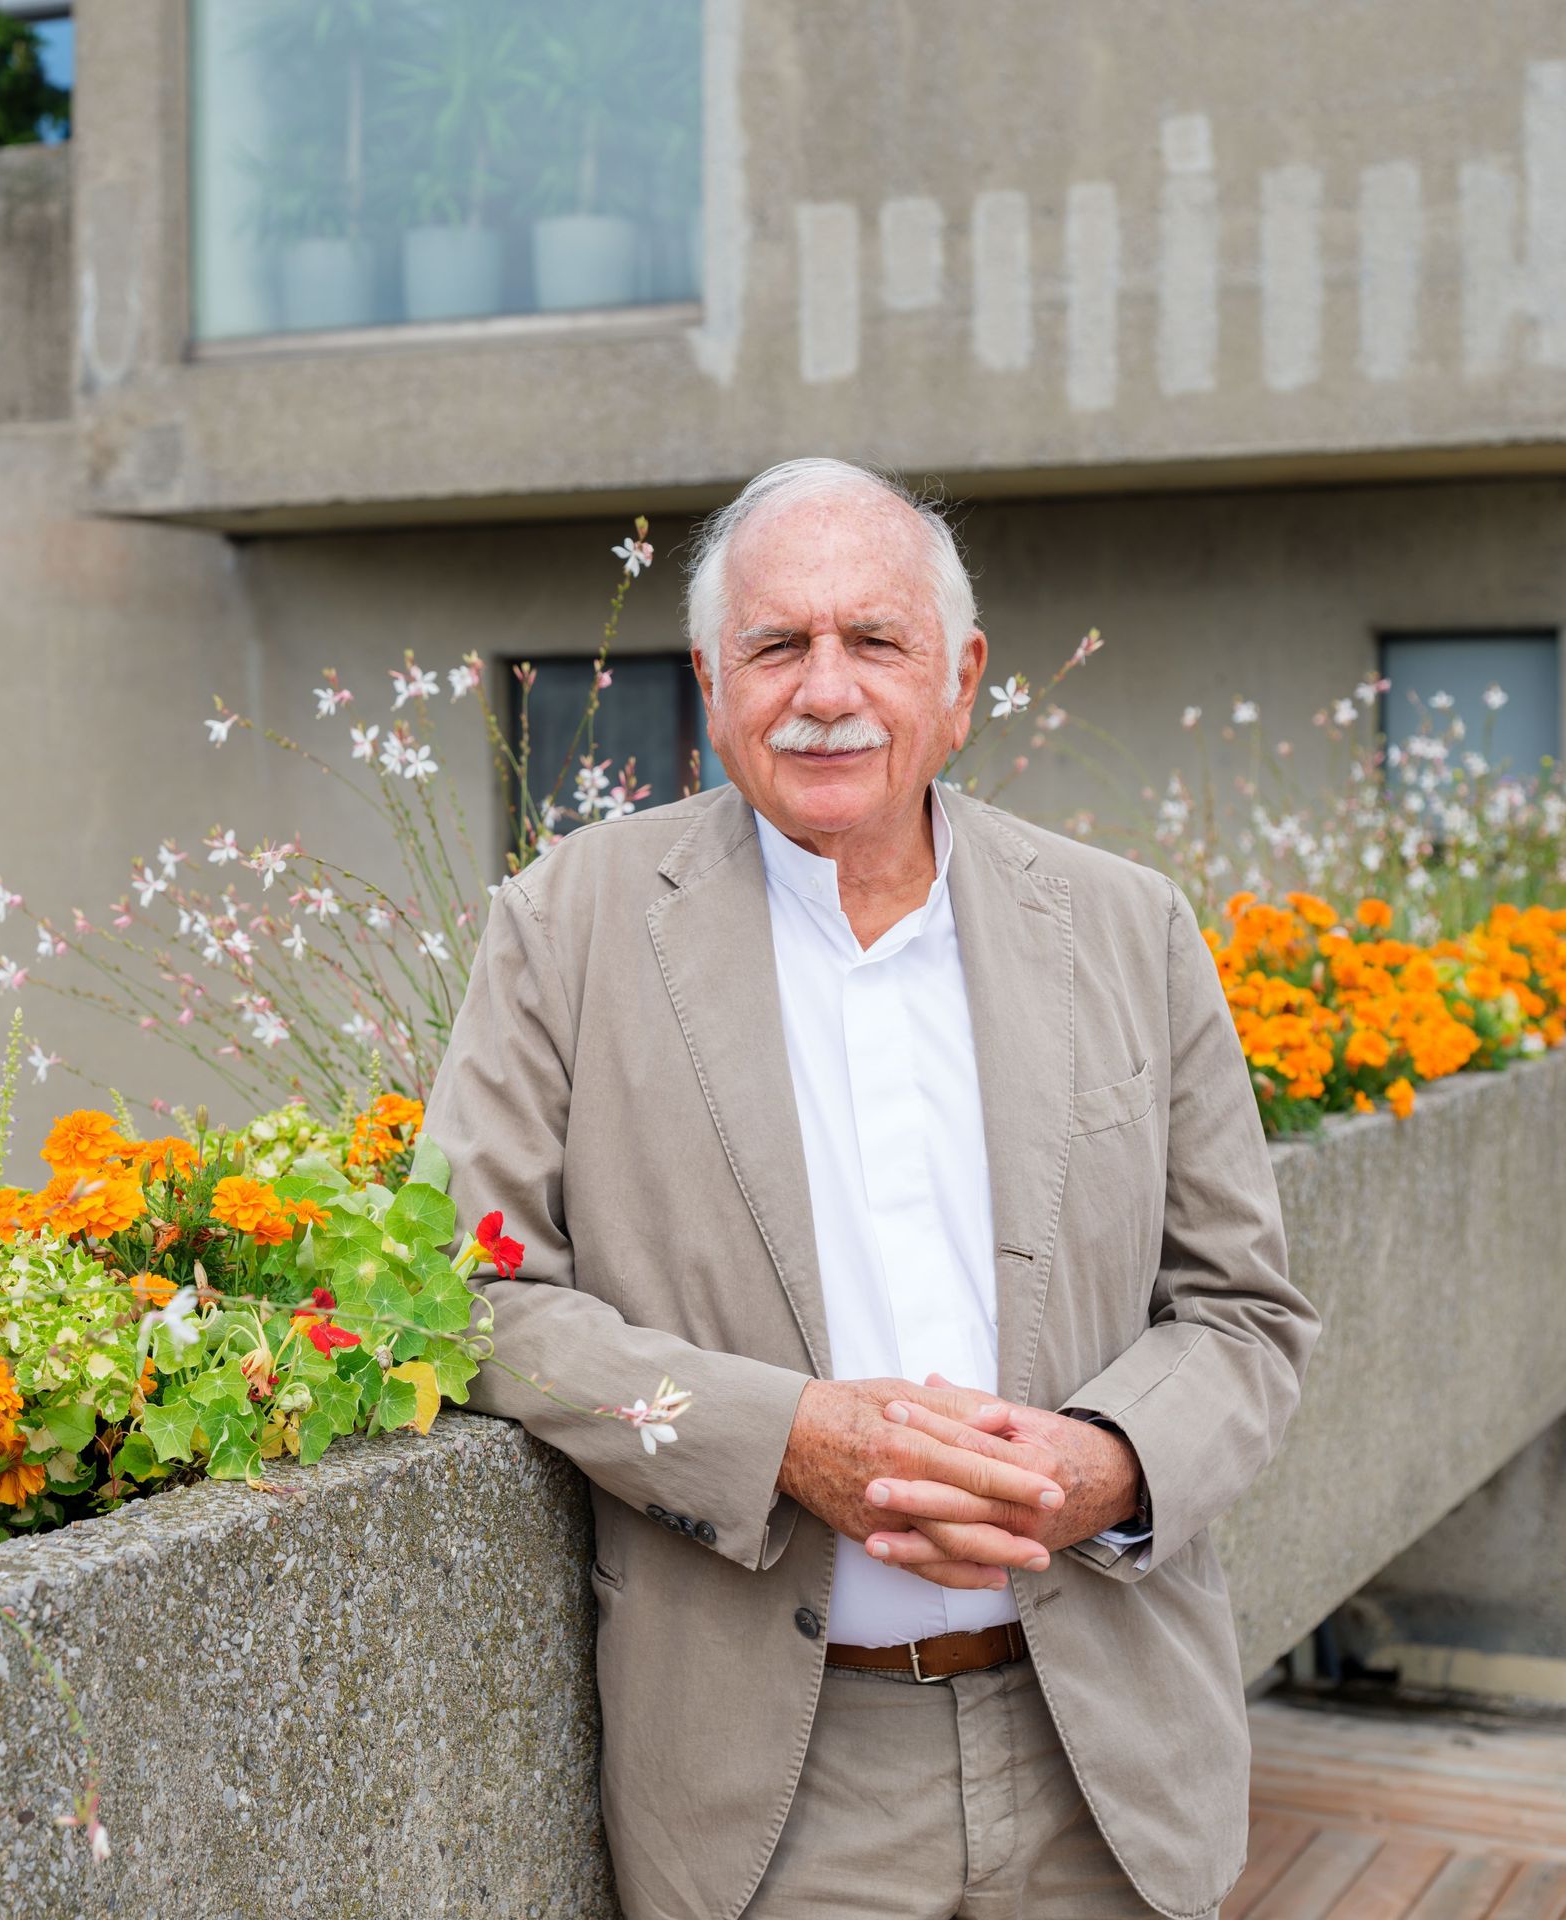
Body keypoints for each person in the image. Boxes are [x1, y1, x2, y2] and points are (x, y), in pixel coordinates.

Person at [422, 459, 1318, 1919]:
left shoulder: (1124, 926)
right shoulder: (564, 928)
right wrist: (779, 1440)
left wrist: (1101, 1469)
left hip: (1103, 1750)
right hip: (771, 1786)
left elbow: (1244, 1317)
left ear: (959, 682)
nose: (821, 689)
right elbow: (473, 1291)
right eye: (777, 646)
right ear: (712, 682)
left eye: (874, 642)